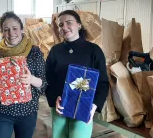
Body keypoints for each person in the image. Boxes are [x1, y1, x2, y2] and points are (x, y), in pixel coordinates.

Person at [45, 10, 109, 138]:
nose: (64, 27)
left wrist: (94, 105)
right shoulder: (55, 51)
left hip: (84, 106)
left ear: (79, 25)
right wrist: (54, 98)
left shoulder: (94, 51)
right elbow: (48, 79)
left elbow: (103, 82)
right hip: (60, 107)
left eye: (69, 23)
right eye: (61, 25)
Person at [0, 11, 47, 138]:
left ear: (21, 29)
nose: (11, 33)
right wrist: (1, 90)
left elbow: (44, 83)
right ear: (2, 32)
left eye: (14, 28)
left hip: (28, 111)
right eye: (6, 29)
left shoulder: (34, 52)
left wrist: (31, 79)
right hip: (3, 111)